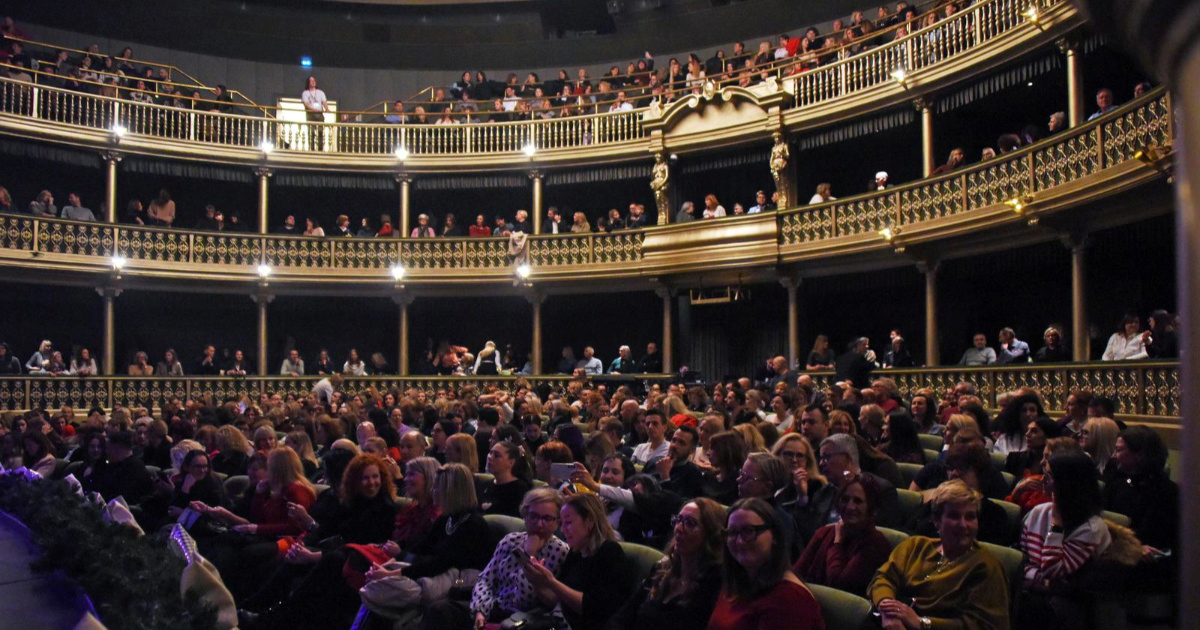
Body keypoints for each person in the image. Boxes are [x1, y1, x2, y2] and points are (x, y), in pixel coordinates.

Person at [869, 480, 1010, 630]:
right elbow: (883, 578)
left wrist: (922, 622)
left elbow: (982, 625)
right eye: (954, 516)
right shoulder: (915, 546)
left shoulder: (986, 567)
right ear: (936, 520)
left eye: (970, 517)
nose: (963, 525)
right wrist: (889, 612)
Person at [422, 489, 569, 630]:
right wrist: (480, 610)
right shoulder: (511, 540)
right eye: (534, 516)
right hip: (494, 606)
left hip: (524, 617)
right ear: (525, 515)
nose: (539, 524)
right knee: (440, 610)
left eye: (547, 518)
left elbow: (524, 601)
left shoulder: (560, 551)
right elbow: (486, 579)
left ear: (557, 522)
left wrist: (529, 555)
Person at [1017, 452, 1112, 630]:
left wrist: (1057, 525)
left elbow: (1053, 570)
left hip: (1072, 605)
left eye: (1051, 475)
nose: (1043, 479)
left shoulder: (1091, 528)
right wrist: (1040, 579)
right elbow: (1022, 559)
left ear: (1069, 482)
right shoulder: (1038, 512)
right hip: (1038, 594)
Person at [606, 498, 725, 630]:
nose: (679, 528)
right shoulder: (662, 569)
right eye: (678, 520)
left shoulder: (713, 583)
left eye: (690, 523)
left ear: (711, 534)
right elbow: (623, 616)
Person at [708, 498, 825, 630]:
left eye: (749, 531)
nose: (739, 541)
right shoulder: (738, 579)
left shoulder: (789, 600)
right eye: (732, 533)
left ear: (774, 536)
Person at [522, 494, 630, 630]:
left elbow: (592, 609)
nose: (562, 530)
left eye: (568, 523)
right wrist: (537, 582)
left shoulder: (610, 552)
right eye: (562, 523)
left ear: (589, 521)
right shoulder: (576, 553)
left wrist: (551, 581)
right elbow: (557, 601)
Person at [794, 474, 892, 596]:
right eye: (845, 499)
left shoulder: (877, 544)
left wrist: (837, 543)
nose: (850, 507)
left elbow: (838, 586)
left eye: (858, 501)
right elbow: (796, 573)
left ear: (871, 509)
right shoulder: (823, 533)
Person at [1104, 426, 1178, 553]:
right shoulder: (1117, 483)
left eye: (1118, 450)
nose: (1113, 456)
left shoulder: (1165, 491)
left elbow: (1153, 536)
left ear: (1140, 454)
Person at [480, 440, 533, 517]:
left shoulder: (520, 489)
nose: (490, 457)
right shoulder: (485, 484)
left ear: (511, 462)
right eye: (490, 453)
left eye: (497, 455)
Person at [301, 76, 329, 150]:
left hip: (319, 114)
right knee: (311, 132)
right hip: (310, 114)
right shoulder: (305, 93)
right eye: (311, 80)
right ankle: (312, 149)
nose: (313, 82)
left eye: (314, 80)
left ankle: (320, 149)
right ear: (308, 83)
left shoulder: (320, 92)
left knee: (320, 132)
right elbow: (306, 104)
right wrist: (313, 109)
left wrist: (327, 108)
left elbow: (324, 102)